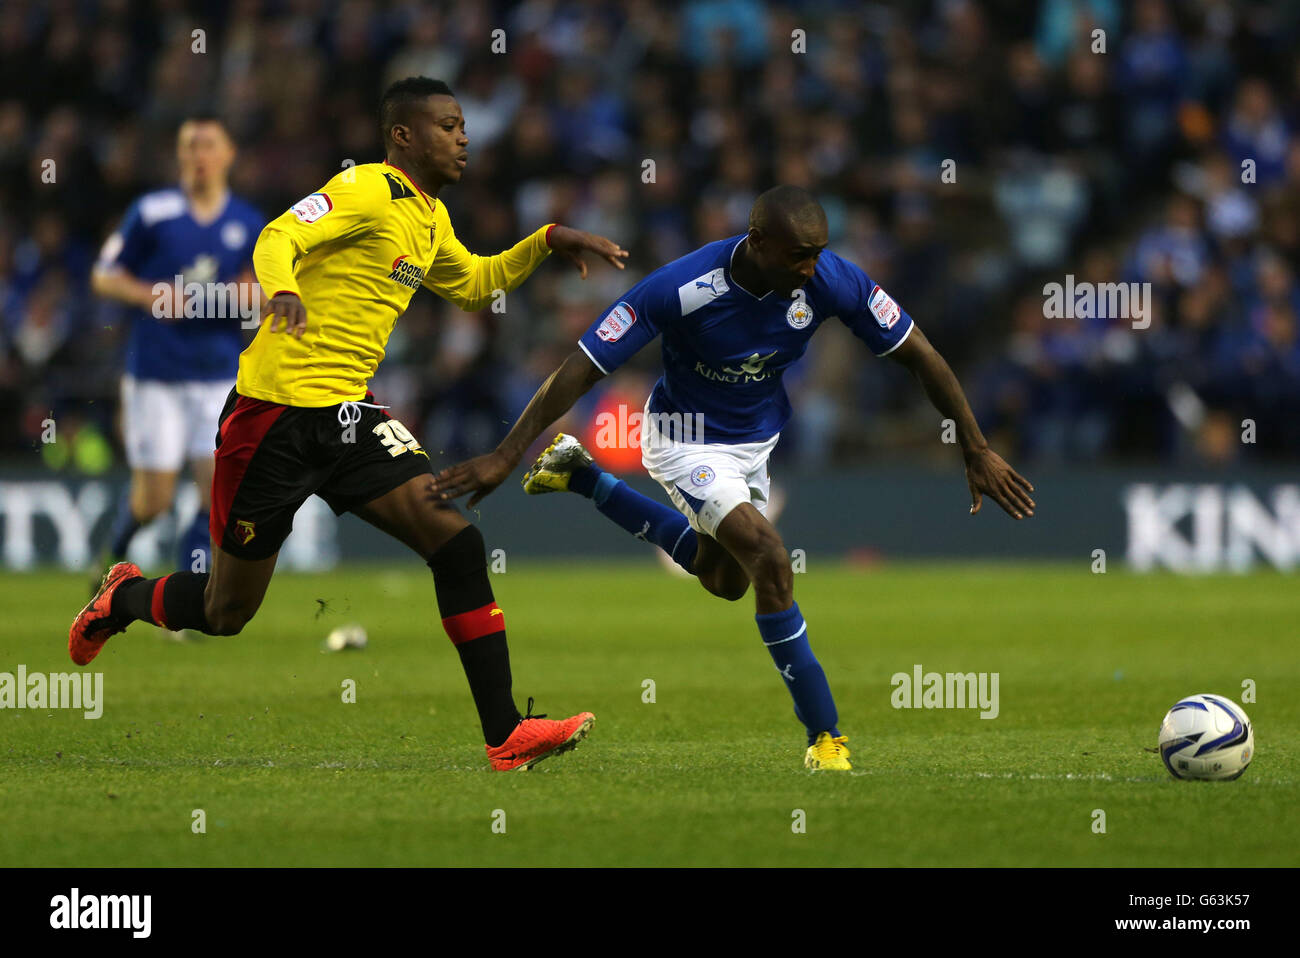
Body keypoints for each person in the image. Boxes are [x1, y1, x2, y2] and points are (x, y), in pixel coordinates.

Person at [70, 77, 629, 771]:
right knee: (225, 612)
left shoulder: (430, 218)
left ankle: (506, 734)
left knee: (454, 544)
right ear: (404, 136)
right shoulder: (366, 188)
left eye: (463, 125)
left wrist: (546, 239)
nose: (464, 137)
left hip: (348, 416)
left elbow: (477, 284)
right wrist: (281, 288)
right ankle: (121, 596)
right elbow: (279, 237)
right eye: (448, 125)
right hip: (272, 416)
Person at [431, 185, 1035, 771]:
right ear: (758, 242)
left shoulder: (831, 279)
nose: (812, 267)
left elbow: (919, 352)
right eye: (799, 254)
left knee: (723, 578)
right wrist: (508, 451)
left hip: (756, 443)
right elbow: (582, 367)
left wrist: (975, 447)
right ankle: (825, 737)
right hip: (683, 439)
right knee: (771, 558)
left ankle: (583, 478)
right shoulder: (680, 287)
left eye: (819, 252)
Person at [90, 115, 262, 600]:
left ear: (228, 155)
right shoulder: (153, 212)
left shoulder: (248, 222)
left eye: (207, 145)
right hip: (157, 375)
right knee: (154, 500)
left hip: (217, 375)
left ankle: (189, 597)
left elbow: (267, 290)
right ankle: (111, 558)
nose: (197, 156)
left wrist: (249, 293)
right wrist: (150, 295)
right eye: (188, 146)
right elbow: (105, 274)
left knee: (215, 495)